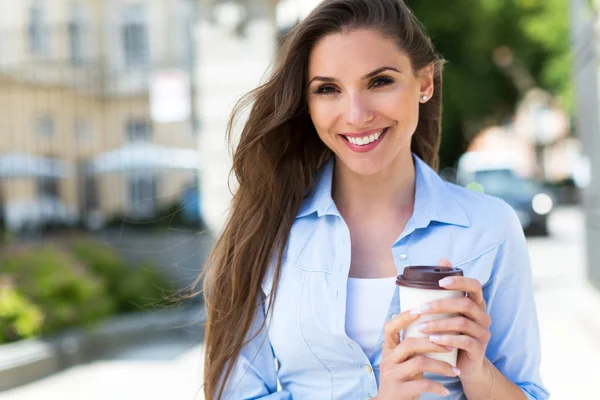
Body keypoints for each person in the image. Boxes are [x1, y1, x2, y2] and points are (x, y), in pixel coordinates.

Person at [198, 0, 549, 399]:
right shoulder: (266, 229)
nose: (356, 114)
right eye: (328, 89)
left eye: (379, 81)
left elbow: (528, 390)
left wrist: (478, 372)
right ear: (308, 104)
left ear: (424, 82)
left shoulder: (490, 229)